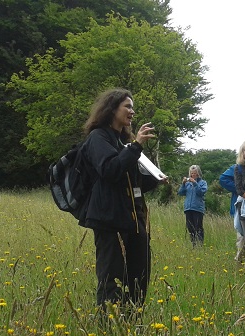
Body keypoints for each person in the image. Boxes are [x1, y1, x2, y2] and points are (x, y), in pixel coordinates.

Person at [81, 88, 166, 309]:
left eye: (132, 107)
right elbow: (109, 170)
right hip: (110, 221)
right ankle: (109, 326)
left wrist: (156, 179)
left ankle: (132, 322)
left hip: (135, 223)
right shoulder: (97, 138)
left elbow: (133, 183)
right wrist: (136, 146)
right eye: (127, 106)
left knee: (139, 278)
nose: (132, 111)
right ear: (111, 109)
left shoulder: (123, 143)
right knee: (112, 280)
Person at [178, 165, 208, 247]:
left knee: (198, 227)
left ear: (198, 174)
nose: (193, 175)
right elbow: (180, 193)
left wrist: (195, 183)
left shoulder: (203, 183)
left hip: (198, 208)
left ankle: (200, 244)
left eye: (194, 173)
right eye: (191, 173)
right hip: (188, 208)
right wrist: (183, 184)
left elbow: (201, 192)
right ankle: (193, 244)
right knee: (190, 227)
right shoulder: (187, 183)